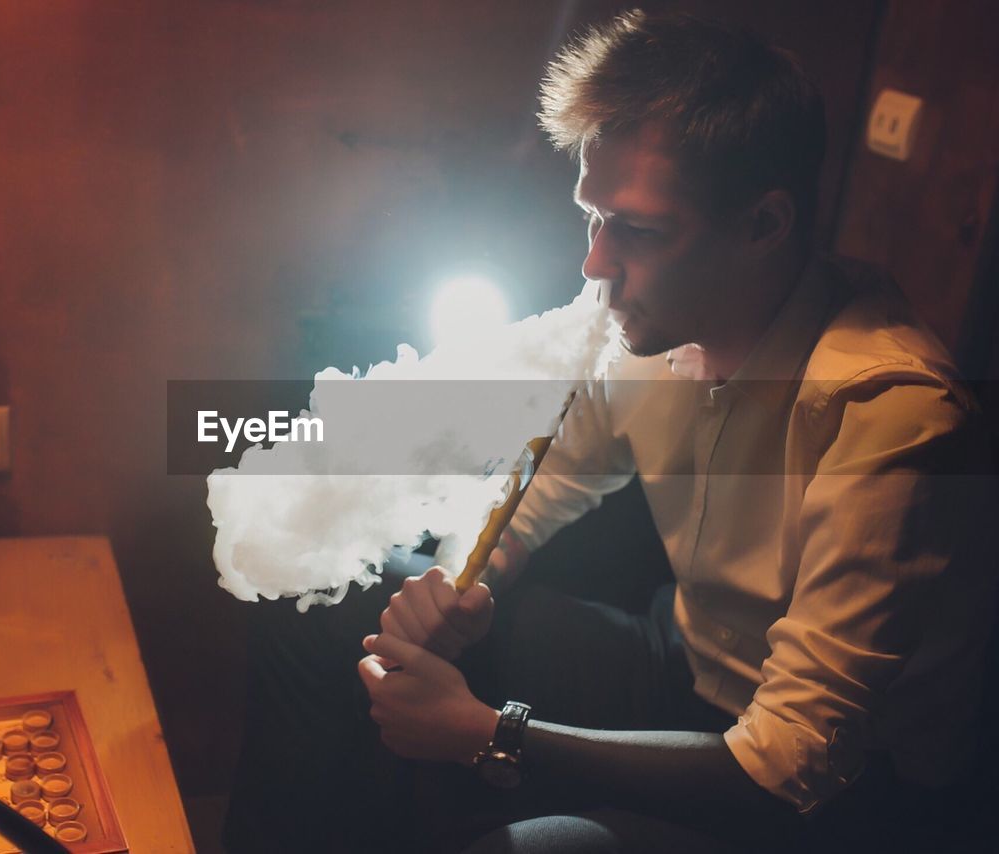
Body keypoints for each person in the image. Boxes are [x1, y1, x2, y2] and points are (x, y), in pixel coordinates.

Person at [223, 10, 997, 853]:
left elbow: (791, 766)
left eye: (638, 229)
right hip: (682, 665)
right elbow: (540, 486)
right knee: (320, 610)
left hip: (850, 800)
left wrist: (489, 730)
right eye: (593, 217)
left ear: (765, 225)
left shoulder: (892, 414)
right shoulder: (643, 325)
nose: (595, 263)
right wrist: (462, 586)